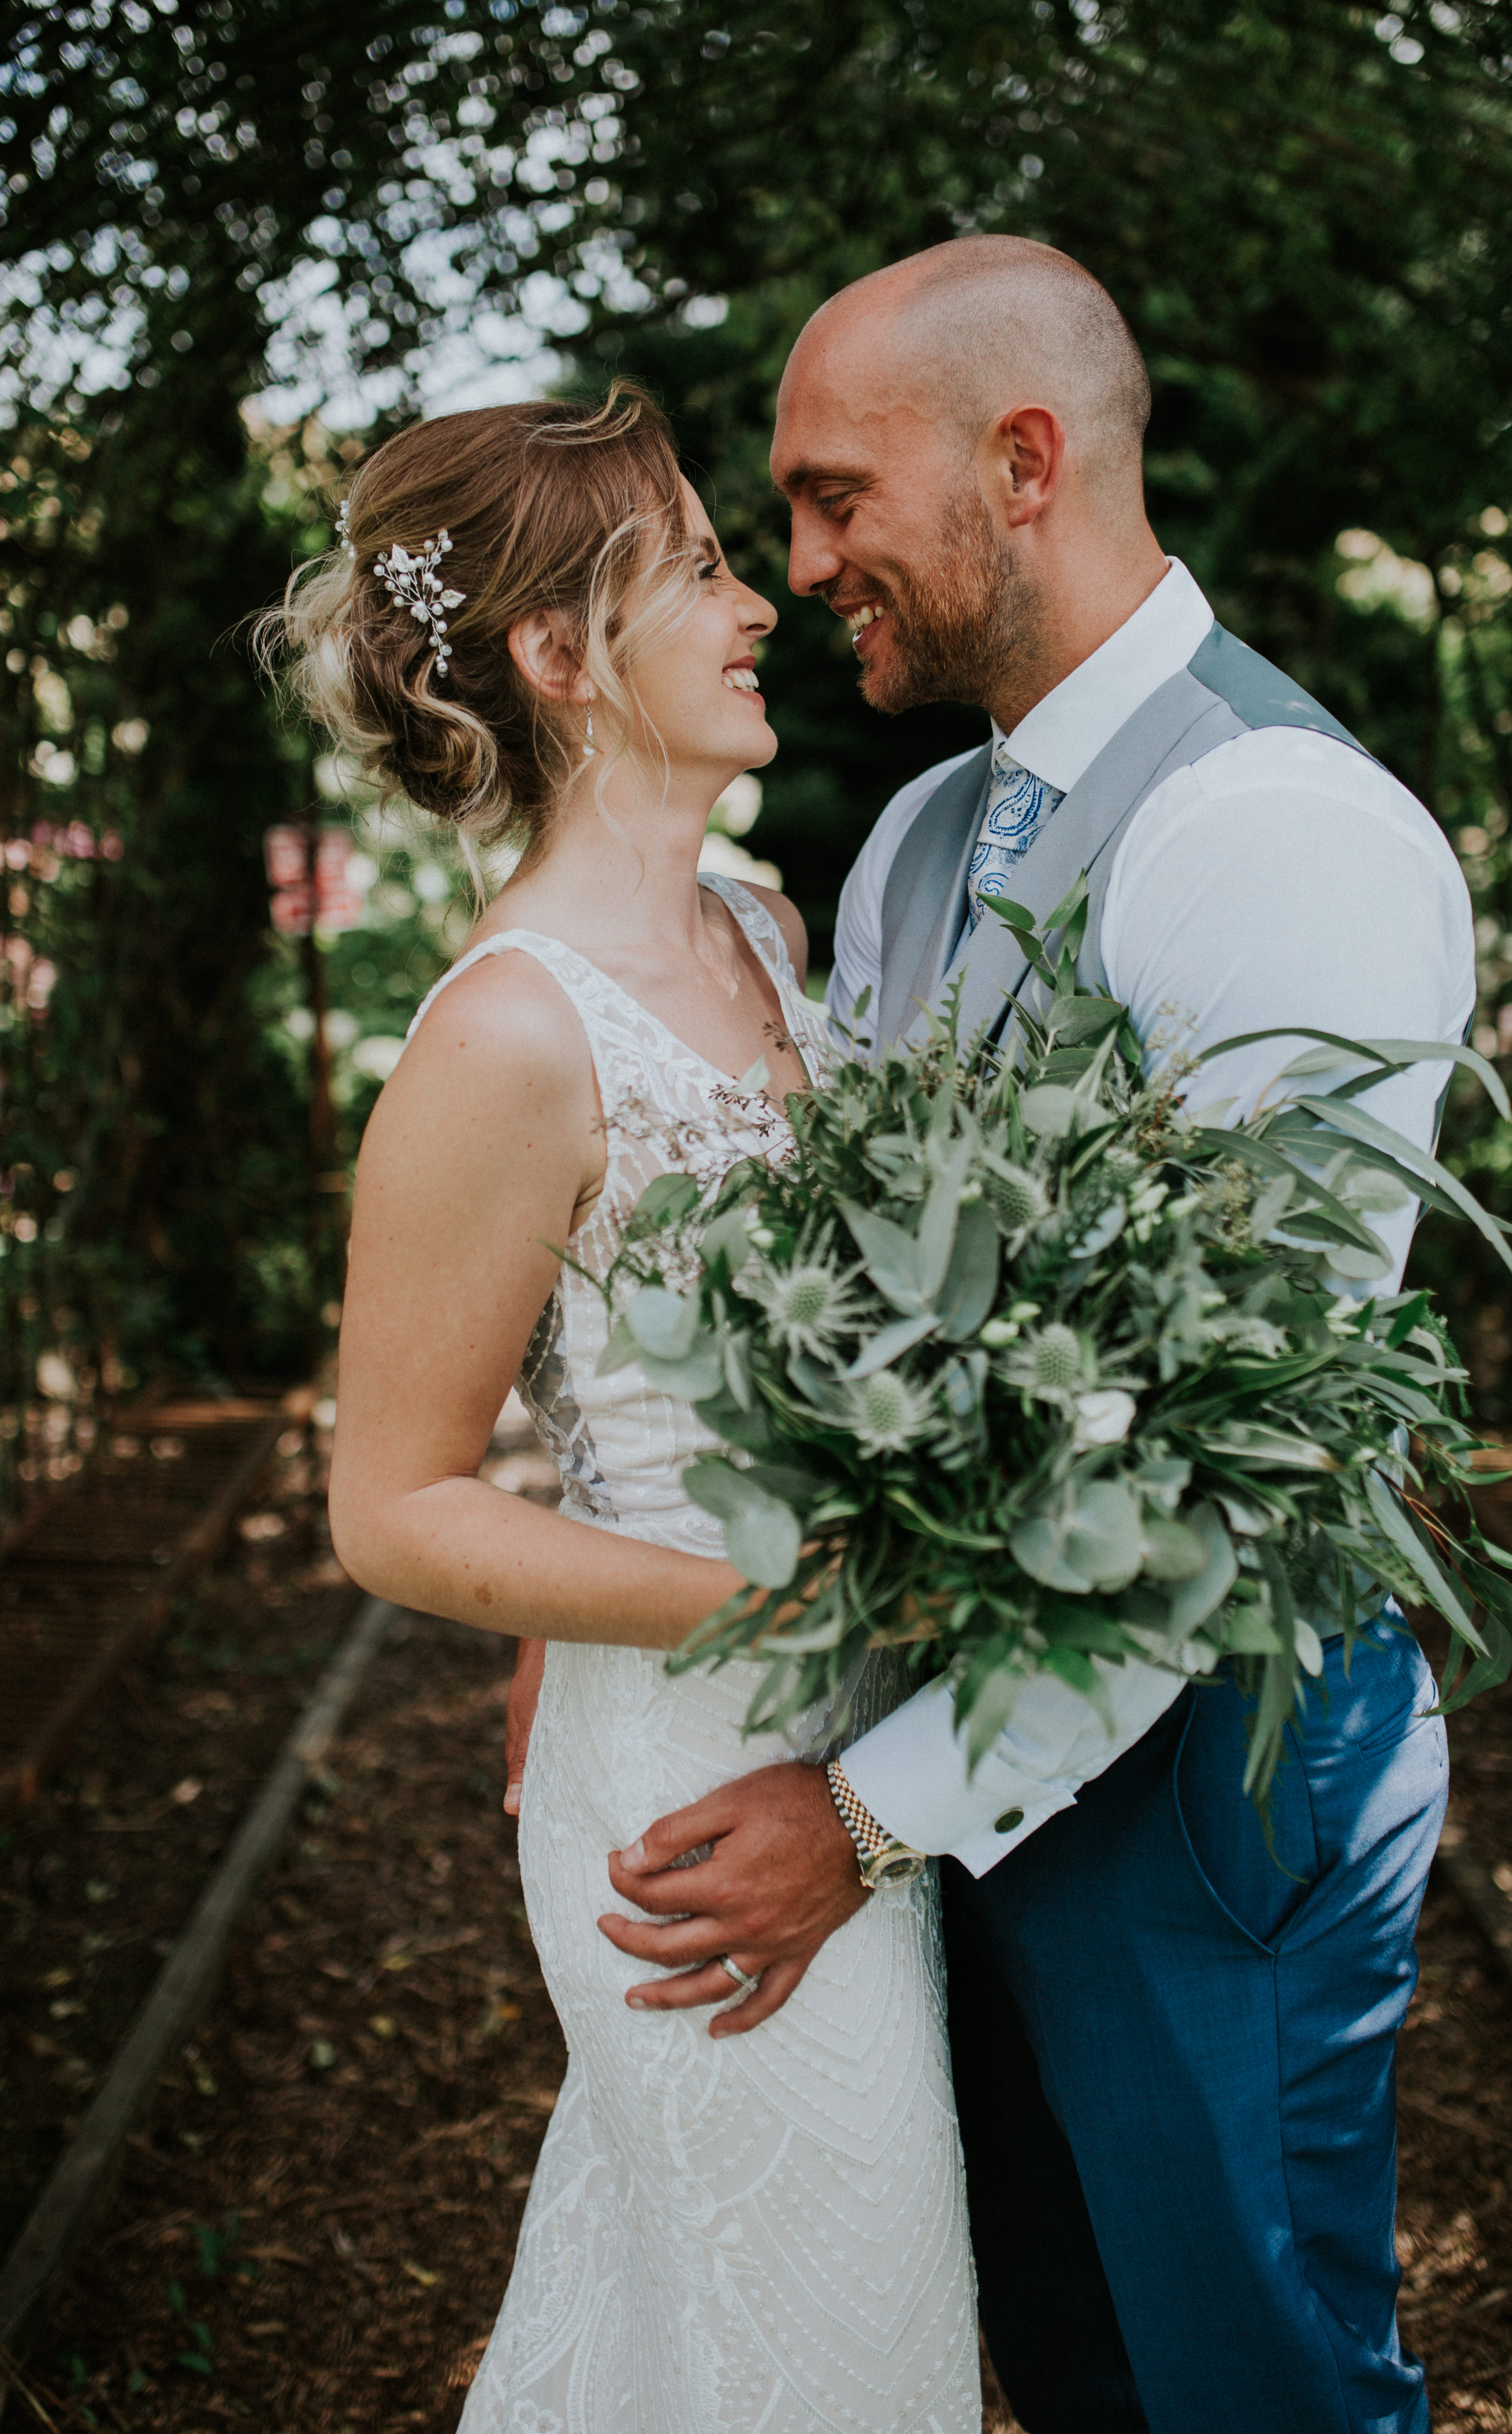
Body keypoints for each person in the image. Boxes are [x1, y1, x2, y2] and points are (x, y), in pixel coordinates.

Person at [511, 243, 1474, 2434]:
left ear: (1023, 462)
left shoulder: (1279, 835)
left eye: (838, 497)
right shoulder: (929, 833)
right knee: (1062, 2361)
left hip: (1208, 1798)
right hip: (964, 1763)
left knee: (1251, 2386)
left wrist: (860, 1816)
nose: (805, 563)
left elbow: (1235, 1451)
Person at [271, 384, 979, 2434]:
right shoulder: (506, 1033)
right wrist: (784, 1607)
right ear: (561, 658)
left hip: (848, 1756)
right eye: (700, 569)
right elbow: (388, 1506)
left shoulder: (760, 927)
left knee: (787, 2328)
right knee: (828, 2344)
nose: (763, 603)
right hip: (690, 1777)